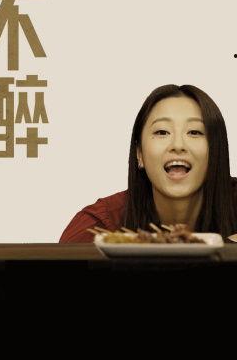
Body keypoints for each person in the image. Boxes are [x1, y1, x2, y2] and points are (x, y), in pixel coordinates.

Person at [60, 84, 237, 242]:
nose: (178, 145)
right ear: (139, 154)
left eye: (194, 132)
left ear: (216, 150)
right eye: (162, 132)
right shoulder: (100, 225)